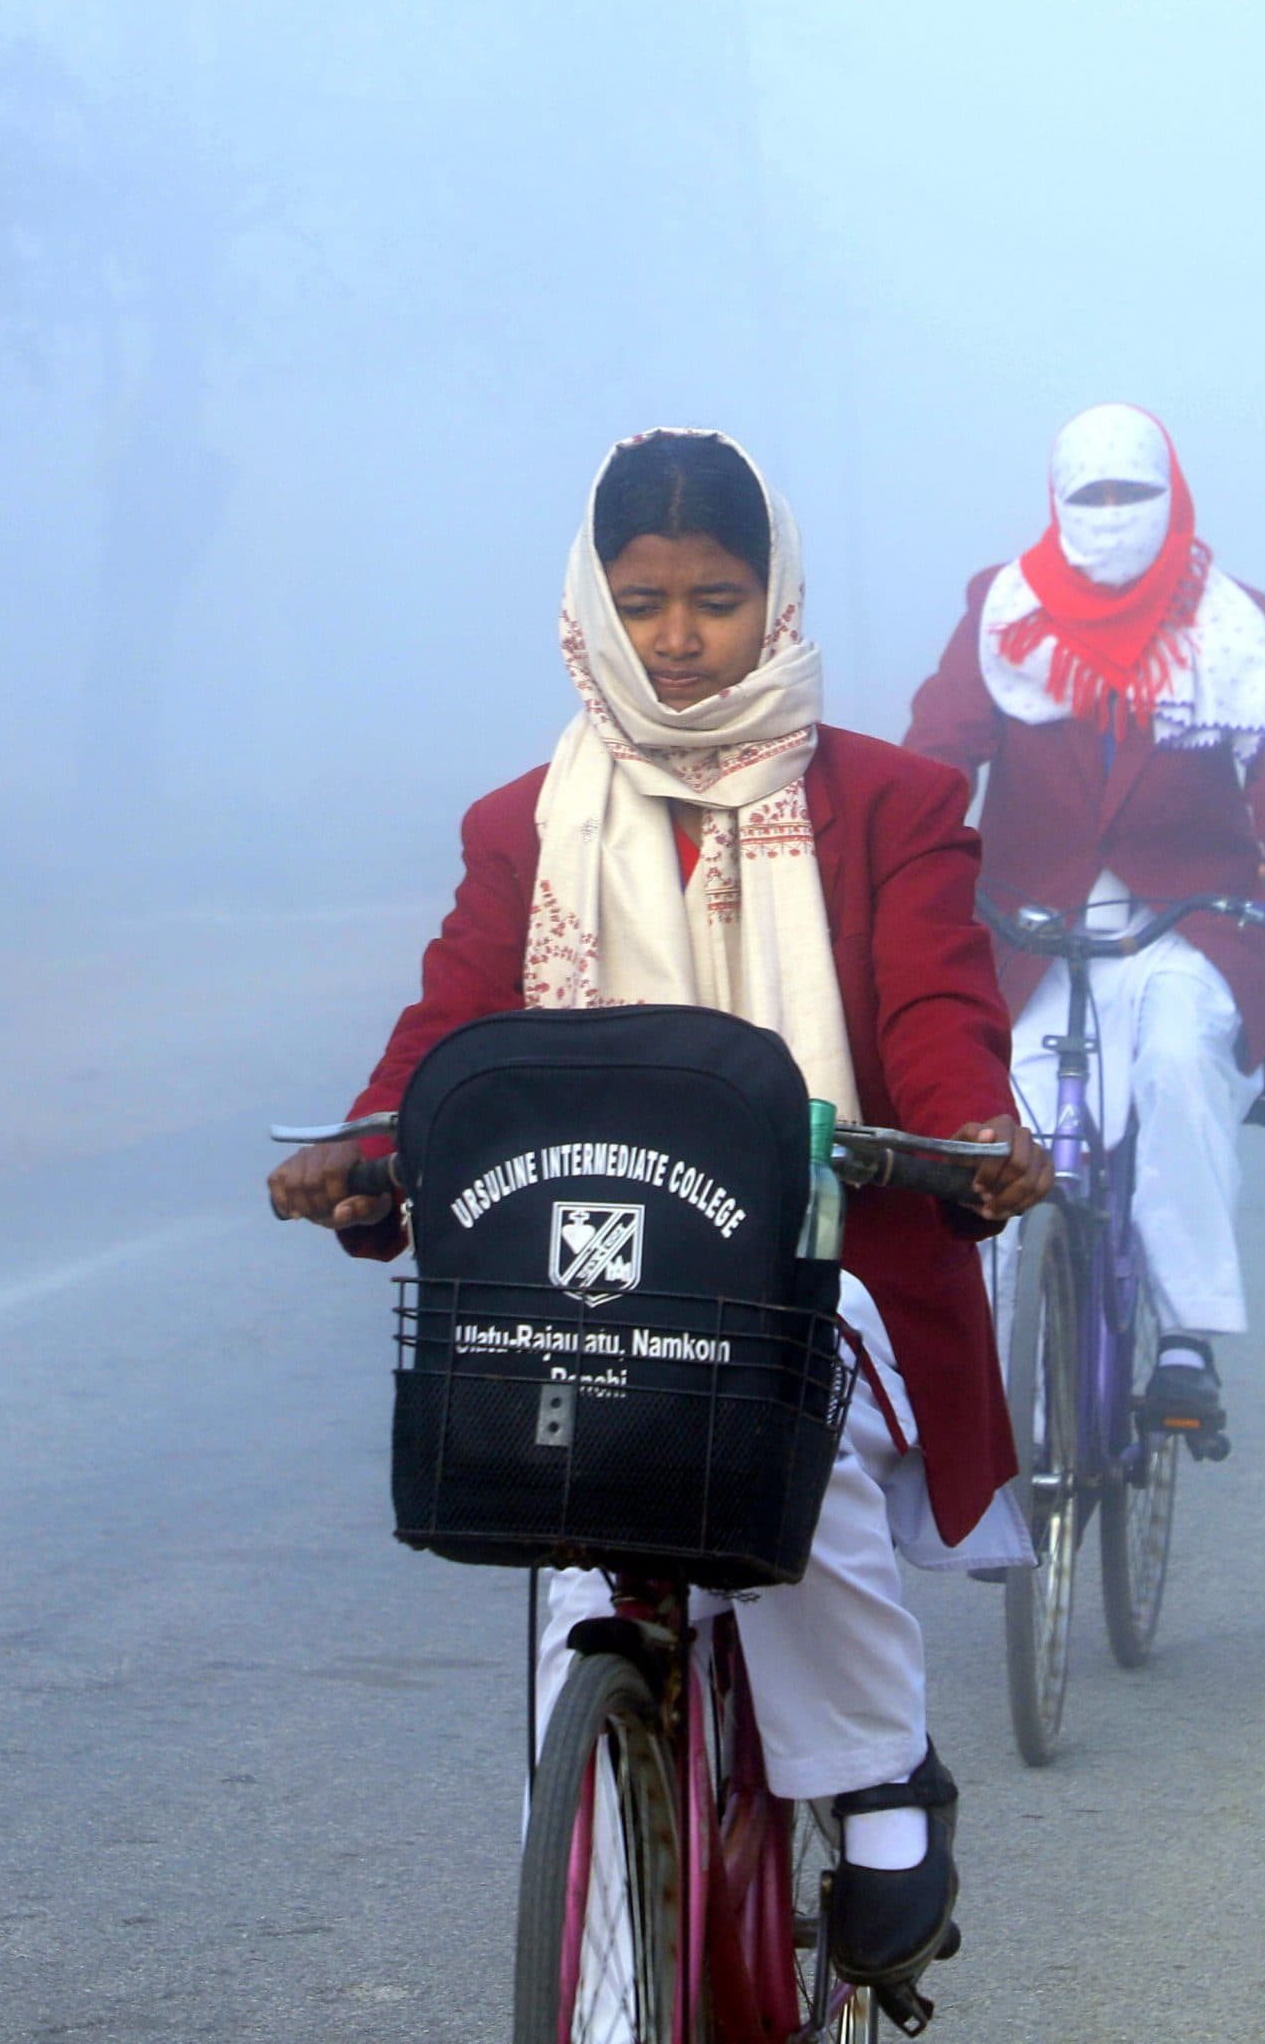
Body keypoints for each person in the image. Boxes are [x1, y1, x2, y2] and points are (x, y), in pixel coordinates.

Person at [269, 427, 1048, 1985]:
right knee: (571, 1486)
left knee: (784, 1402)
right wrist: (371, 1145)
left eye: (716, 598)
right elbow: (454, 1030)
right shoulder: (521, 821)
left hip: (833, 1270)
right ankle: (607, 1884)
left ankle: (881, 1779)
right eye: (642, 603)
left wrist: (969, 1126)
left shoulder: (893, 802)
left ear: (780, 600)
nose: (679, 639)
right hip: (584, 1273)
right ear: (593, 602)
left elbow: (938, 1014)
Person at [904, 402, 1265, 1450]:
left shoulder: (1233, 617)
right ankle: (987, 1382)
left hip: (1189, 912)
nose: (1108, 515)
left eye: (1129, 493)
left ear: (1172, 495)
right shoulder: (1002, 609)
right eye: (1089, 495)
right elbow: (938, 748)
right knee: (996, 1121)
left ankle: (1187, 1335)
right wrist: (904, 855)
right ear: (1055, 502)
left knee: (1180, 1063)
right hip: (1031, 916)